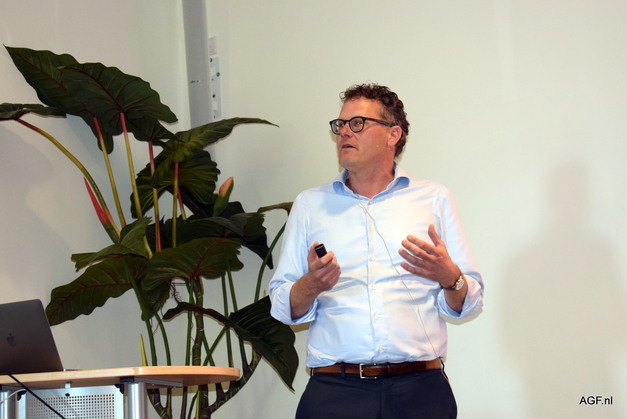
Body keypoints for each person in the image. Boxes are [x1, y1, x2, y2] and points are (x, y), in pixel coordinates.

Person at [268, 83, 483, 418]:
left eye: (358, 123)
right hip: (335, 393)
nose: (344, 132)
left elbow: (469, 303)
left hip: (420, 391)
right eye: (340, 124)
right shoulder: (310, 205)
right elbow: (283, 307)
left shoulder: (433, 199)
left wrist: (449, 277)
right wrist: (312, 284)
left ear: (393, 134)